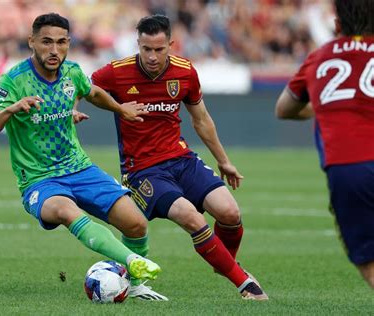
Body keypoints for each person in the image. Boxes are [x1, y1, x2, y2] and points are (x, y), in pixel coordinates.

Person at [0, 13, 168, 298]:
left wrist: (121, 108)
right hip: (40, 180)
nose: (55, 50)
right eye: (47, 42)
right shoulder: (14, 80)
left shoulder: (72, 72)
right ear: (31, 42)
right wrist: (12, 109)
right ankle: (130, 262)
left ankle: (133, 284)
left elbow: (93, 92)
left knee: (136, 223)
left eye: (62, 42)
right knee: (65, 210)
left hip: (79, 169)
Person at [88, 14, 268, 300]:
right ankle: (245, 284)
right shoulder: (117, 71)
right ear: (138, 44)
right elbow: (85, 87)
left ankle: (225, 264)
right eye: (146, 49)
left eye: (159, 49)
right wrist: (105, 108)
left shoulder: (185, 71)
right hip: (143, 170)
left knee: (230, 213)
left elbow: (202, 119)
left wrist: (224, 160)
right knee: (192, 218)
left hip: (182, 159)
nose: (152, 56)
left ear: (171, 44)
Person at [275, 0, 374, 288]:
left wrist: (328, 107)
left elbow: (283, 109)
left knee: (368, 260)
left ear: (338, 25)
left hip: (349, 167)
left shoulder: (320, 57)